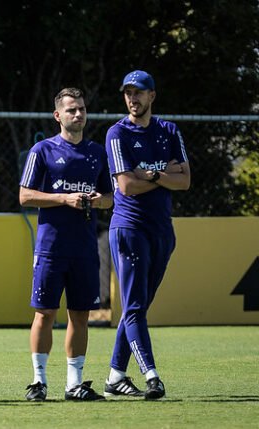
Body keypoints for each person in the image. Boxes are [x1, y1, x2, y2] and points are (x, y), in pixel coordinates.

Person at [19, 88, 114, 402]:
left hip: (84, 248)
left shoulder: (97, 153)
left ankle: (74, 384)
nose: (78, 115)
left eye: (82, 109)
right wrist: (63, 198)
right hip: (51, 246)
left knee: (80, 315)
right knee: (45, 313)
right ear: (57, 115)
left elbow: (111, 197)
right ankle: (39, 381)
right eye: (71, 110)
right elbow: (25, 196)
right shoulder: (42, 150)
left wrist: (101, 202)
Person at [104, 70, 191, 400]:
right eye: (127, 92)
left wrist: (150, 173)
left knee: (135, 308)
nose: (132, 98)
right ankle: (151, 375)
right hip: (129, 228)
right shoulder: (117, 133)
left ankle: (114, 375)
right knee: (135, 306)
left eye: (138, 92)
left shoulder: (169, 130)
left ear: (152, 95)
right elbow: (126, 186)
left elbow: (185, 181)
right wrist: (165, 173)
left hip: (161, 231)